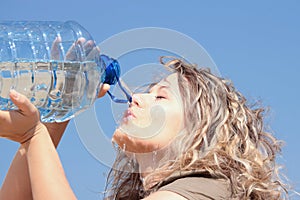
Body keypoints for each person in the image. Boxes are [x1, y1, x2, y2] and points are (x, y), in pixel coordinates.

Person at [0, 56, 289, 200]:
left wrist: (34, 135)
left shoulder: (203, 191)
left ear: (200, 130)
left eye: (161, 96)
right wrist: (60, 110)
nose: (137, 97)